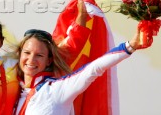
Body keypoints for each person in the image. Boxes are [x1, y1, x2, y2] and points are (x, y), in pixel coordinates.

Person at [14, 27, 143, 115]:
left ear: (49, 61)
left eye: (39, 55)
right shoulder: (14, 92)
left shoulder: (58, 89)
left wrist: (130, 46)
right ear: (20, 54)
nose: (31, 59)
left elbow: (93, 69)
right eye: (27, 52)